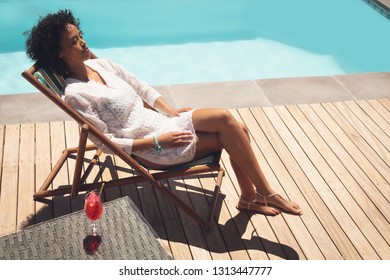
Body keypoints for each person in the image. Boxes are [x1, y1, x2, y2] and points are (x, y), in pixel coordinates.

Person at [25, 9, 302, 216]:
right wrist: (160, 141)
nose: (83, 43)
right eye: (74, 42)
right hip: (153, 147)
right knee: (234, 134)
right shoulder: (75, 95)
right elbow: (104, 143)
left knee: (229, 121)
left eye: (80, 36)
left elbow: (141, 87)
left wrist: (170, 112)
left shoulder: (101, 65)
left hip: (162, 122)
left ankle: (253, 196)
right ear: (58, 54)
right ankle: (259, 195)